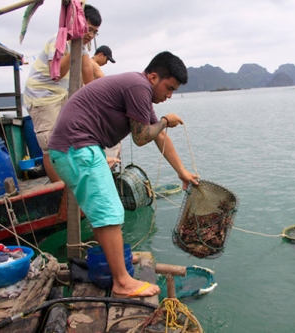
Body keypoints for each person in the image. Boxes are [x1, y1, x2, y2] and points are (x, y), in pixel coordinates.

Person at [48, 51, 199, 297]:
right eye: (169, 88)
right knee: (109, 212)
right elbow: (142, 137)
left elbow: (158, 136)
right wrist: (164, 120)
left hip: (76, 149)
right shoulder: (138, 87)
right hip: (77, 148)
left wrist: (182, 172)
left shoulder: (140, 90)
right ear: (153, 77)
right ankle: (122, 281)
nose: (169, 95)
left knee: (104, 211)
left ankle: (116, 261)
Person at [23, 4, 102, 183]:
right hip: (41, 96)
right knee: (50, 146)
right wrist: (77, 43)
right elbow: (56, 73)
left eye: (95, 32)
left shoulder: (83, 46)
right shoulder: (58, 40)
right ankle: (59, 190)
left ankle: (72, 179)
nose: (90, 35)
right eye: (88, 29)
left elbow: (87, 74)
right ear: (78, 23)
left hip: (60, 94)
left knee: (72, 134)